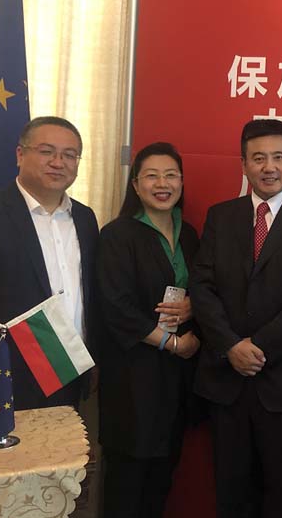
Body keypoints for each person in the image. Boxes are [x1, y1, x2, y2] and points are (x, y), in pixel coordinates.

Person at [190, 118, 282, 518]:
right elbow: (201, 287)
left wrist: (257, 348)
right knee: (231, 493)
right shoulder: (221, 216)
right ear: (244, 165)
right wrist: (230, 346)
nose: (269, 167)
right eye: (258, 158)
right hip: (227, 381)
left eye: (278, 157)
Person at [0, 116, 98, 410]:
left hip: (70, 371)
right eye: (46, 151)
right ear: (20, 155)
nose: (58, 162)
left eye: (69, 155)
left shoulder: (85, 218)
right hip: (1, 380)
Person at [95, 142, 201, 518]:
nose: (162, 184)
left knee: (162, 477)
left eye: (171, 175)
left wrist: (194, 311)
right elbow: (116, 307)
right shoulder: (117, 235)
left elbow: (205, 289)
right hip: (132, 375)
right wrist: (173, 344)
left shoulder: (189, 234)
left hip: (176, 379)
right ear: (136, 185)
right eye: (152, 176)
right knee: (128, 482)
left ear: (182, 182)